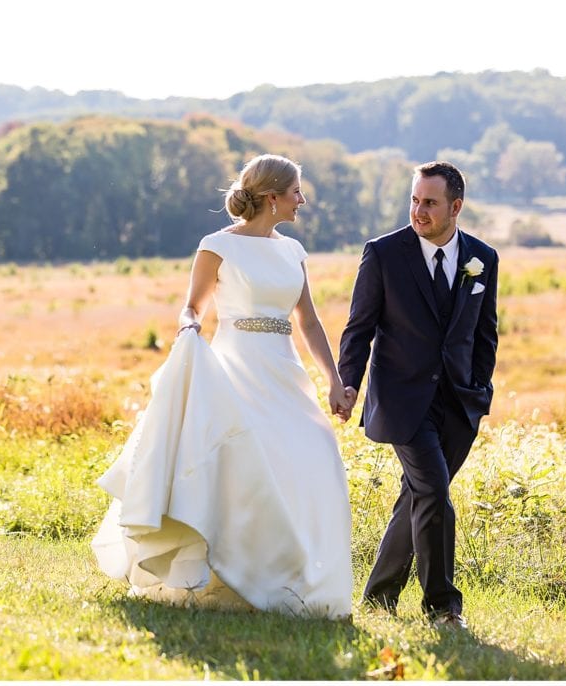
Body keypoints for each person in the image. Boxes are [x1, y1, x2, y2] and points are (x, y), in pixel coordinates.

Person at [92, 154, 355, 619]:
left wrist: (334, 380)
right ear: (272, 198)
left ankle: (294, 578)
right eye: (297, 191)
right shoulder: (217, 245)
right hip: (235, 368)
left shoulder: (293, 251)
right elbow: (191, 306)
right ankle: (229, 575)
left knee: (315, 452)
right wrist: (189, 328)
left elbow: (308, 321)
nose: (302, 200)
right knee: (242, 467)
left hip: (284, 371)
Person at [337, 161, 498, 629]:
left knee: (418, 497)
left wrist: (480, 391)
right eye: (414, 200)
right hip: (402, 399)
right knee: (433, 491)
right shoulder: (383, 254)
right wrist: (350, 382)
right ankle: (442, 607)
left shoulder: (482, 258)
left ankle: (379, 596)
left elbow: (485, 334)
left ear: (456, 206)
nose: (418, 211)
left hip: (459, 404)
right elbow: (359, 328)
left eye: (429, 202)